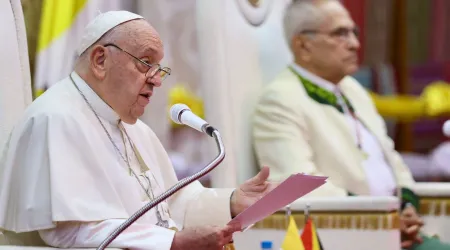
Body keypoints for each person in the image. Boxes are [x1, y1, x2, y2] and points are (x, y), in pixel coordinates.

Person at [0, 11, 277, 250]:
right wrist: (171, 242)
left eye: (159, 67)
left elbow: (172, 204)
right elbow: (68, 231)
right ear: (100, 60)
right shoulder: (55, 119)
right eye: (146, 62)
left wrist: (232, 201)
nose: (156, 80)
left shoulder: (135, 129)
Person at [252, 0, 450, 249]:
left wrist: (406, 207)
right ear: (303, 45)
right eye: (340, 34)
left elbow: (392, 160)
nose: (355, 44)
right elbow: (297, 185)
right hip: (351, 237)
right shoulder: (280, 100)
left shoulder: (352, 89)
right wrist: (382, 218)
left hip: (396, 231)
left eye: (354, 32)